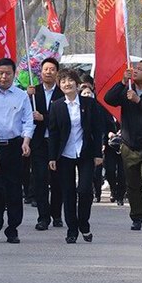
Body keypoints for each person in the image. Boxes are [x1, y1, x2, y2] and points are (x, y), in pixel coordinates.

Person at [104, 61, 142, 233]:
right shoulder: (126, 90)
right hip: (129, 145)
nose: (135, 71)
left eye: (139, 69)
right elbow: (109, 99)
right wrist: (122, 82)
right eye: (134, 68)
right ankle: (136, 216)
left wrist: (139, 101)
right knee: (133, 184)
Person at [0, 58, 34, 244]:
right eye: (1, 73)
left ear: (14, 74)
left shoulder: (21, 96)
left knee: (13, 190)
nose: (4, 77)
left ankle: (12, 228)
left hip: (14, 147)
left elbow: (28, 121)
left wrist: (26, 141)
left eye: (8, 73)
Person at [48, 69, 104, 243]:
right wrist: (52, 157)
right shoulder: (56, 105)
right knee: (68, 193)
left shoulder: (89, 103)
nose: (67, 84)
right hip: (65, 154)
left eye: (70, 80)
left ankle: (84, 224)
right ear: (59, 85)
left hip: (85, 152)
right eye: (63, 81)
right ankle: (72, 229)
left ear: (77, 83)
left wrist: (98, 153)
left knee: (85, 190)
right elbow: (54, 133)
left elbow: (97, 129)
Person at [27, 57, 64, 230]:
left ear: (57, 72)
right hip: (39, 142)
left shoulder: (63, 93)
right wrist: (27, 97)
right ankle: (43, 217)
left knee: (57, 180)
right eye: (45, 69)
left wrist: (45, 118)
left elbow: (65, 119)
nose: (48, 72)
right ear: (40, 72)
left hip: (58, 143)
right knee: (40, 178)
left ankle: (56, 214)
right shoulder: (33, 93)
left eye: (51, 69)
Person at [79, 84, 106, 203]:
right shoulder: (67, 106)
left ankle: (97, 192)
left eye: (89, 93)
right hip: (71, 150)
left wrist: (99, 148)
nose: (87, 95)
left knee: (95, 174)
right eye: (84, 93)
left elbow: (99, 129)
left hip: (90, 148)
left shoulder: (97, 107)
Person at [103, 116, 125, 206]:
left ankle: (120, 195)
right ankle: (113, 189)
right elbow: (100, 126)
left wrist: (124, 132)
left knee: (123, 173)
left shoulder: (126, 109)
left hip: (125, 145)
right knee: (110, 169)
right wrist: (108, 133)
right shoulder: (105, 112)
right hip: (109, 146)